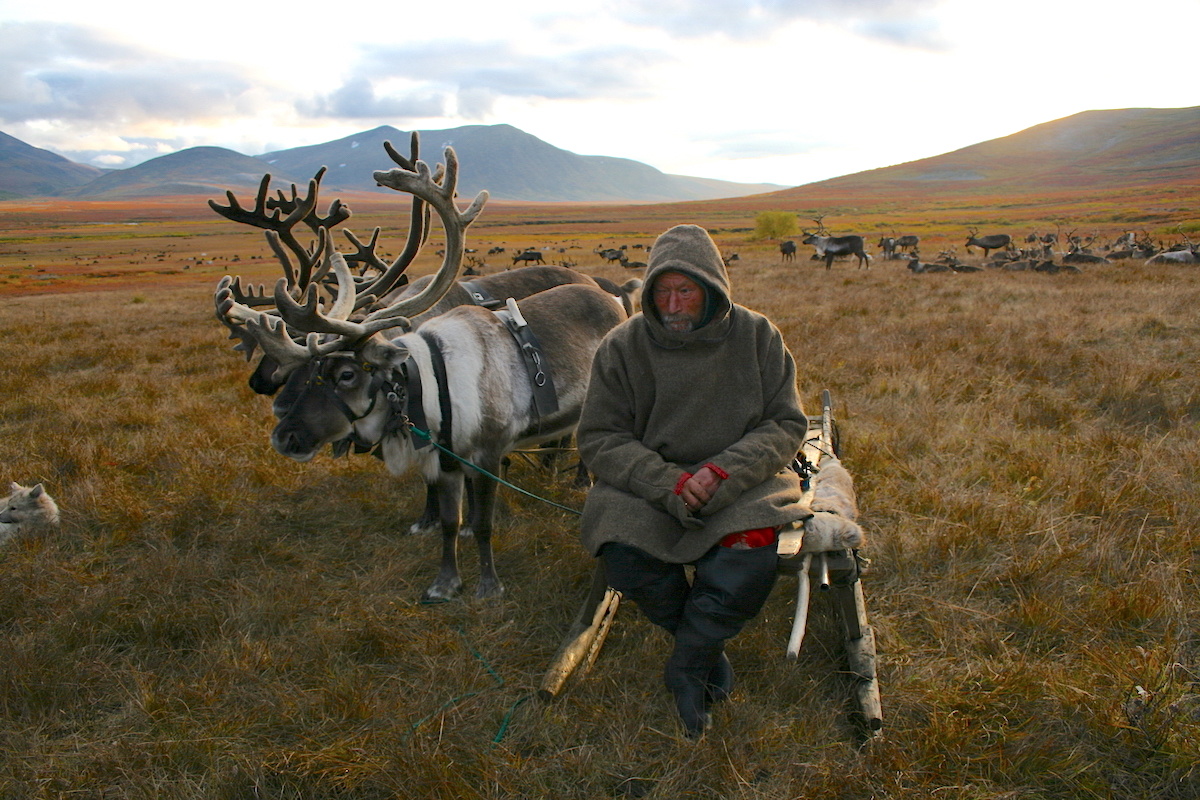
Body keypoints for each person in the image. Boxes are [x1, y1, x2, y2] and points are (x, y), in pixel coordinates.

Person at [577, 223, 809, 738]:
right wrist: (669, 483)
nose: (673, 305)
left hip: (742, 477)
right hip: (650, 480)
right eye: (662, 292)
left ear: (711, 288)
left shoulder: (757, 336)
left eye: (686, 290)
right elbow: (600, 437)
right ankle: (702, 647)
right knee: (622, 546)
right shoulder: (623, 346)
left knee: (749, 551)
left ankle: (687, 663)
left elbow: (785, 422)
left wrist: (722, 472)